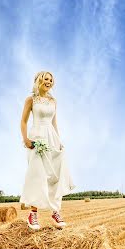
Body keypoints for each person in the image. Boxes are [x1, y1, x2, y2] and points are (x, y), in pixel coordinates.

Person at [20, 71, 75, 231]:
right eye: (46, 79)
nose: (49, 82)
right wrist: (26, 140)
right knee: (37, 175)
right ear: (39, 81)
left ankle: (55, 212)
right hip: (37, 137)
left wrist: (59, 141)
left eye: (51, 80)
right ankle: (33, 214)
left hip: (51, 138)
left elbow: (54, 123)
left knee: (55, 175)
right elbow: (23, 121)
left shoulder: (53, 101)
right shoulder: (30, 100)